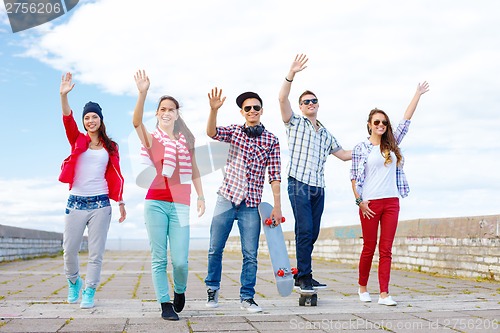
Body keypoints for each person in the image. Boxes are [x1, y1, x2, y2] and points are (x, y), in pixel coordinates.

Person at [132, 70, 205, 321]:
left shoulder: (186, 141)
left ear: (176, 113)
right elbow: (135, 121)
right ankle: (164, 303)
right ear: (157, 113)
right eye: (162, 108)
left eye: (171, 109)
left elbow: (194, 169)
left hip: (181, 204)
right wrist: (143, 93)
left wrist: (201, 196)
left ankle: (180, 290)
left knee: (181, 261)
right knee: (159, 258)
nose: (166, 112)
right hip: (155, 203)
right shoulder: (152, 139)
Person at [351, 82, 430, 306]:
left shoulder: (391, 145)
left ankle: (384, 293)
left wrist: (417, 94)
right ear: (369, 125)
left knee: (386, 249)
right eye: (377, 122)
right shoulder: (361, 148)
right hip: (370, 203)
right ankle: (362, 287)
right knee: (369, 247)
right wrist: (359, 201)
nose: (381, 125)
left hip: (392, 202)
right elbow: (354, 178)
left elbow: (406, 121)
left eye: (384, 122)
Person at [278, 54, 352, 293]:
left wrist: (372, 147)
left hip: (318, 188)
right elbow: (281, 98)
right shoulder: (295, 123)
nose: (310, 104)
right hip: (298, 184)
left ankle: (302, 272)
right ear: (301, 106)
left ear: (318, 105)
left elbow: (342, 155)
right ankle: (305, 276)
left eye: (314, 101)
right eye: (306, 102)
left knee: (313, 232)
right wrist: (291, 74)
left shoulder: (326, 133)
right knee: (305, 229)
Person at [204, 87, 282, 313]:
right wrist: (213, 110)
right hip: (226, 198)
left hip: (251, 204)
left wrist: (277, 207)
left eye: (256, 107)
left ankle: (247, 297)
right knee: (214, 249)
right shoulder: (234, 132)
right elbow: (211, 133)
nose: (252, 111)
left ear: (262, 110)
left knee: (250, 254)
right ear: (242, 112)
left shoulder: (271, 140)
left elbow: (275, 176)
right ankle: (212, 288)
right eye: (247, 108)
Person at [59, 72, 126, 309]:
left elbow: (116, 174)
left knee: (96, 253)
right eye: (86, 117)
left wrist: (120, 201)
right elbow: (67, 119)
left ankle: (89, 290)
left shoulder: (111, 146)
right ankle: (74, 281)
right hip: (76, 202)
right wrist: (63, 95)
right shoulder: (77, 139)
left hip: (100, 204)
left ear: (100, 119)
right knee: (69, 250)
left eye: (94, 116)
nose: (90, 120)